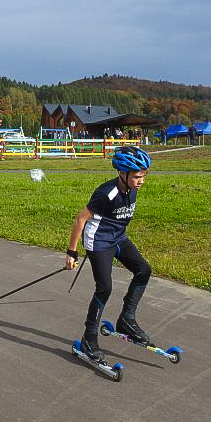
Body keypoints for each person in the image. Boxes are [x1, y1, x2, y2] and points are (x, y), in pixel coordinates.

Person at [65, 146, 152, 361]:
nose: (141, 181)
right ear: (122, 173)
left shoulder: (132, 189)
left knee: (143, 270)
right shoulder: (106, 192)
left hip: (118, 238)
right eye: (137, 176)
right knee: (105, 288)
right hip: (99, 242)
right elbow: (81, 219)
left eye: (144, 176)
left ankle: (127, 319)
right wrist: (71, 252)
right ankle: (89, 338)